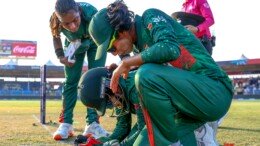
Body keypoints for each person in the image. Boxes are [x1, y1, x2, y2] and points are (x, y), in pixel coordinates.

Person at [88, 0, 233, 145]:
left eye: (111, 48)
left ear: (120, 31)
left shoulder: (149, 16)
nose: (114, 54)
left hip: (215, 91)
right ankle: (196, 136)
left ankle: (175, 140)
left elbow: (170, 48)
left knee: (146, 74)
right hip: (188, 109)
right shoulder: (139, 50)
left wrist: (128, 62)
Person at [49, 0, 108, 140]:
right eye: (66, 24)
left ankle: (93, 123)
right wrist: (60, 56)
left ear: (79, 11)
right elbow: (55, 36)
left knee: (97, 81)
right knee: (71, 81)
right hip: (74, 45)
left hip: (95, 43)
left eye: (75, 20)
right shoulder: (54, 20)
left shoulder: (92, 14)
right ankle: (66, 123)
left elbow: (106, 35)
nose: (73, 26)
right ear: (59, 20)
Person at [77, 66, 146, 146]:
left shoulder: (135, 88)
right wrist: (99, 142)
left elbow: (145, 129)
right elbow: (123, 127)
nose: (111, 106)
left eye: (108, 102)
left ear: (109, 88)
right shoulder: (118, 92)